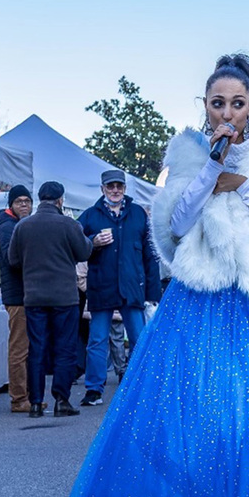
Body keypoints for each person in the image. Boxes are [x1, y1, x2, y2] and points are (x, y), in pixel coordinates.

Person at [68, 54, 249, 497]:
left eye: (237, 103)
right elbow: (176, 224)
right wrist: (210, 172)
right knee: (200, 413)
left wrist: (243, 184)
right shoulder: (190, 153)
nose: (228, 113)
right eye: (218, 103)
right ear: (206, 105)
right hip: (202, 295)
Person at [77, 169, 161, 406]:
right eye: (110, 186)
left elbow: (150, 256)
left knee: (139, 338)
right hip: (102, 287)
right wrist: (91, 242)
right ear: (102, 188)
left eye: (119, 186)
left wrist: (153, 294)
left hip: (132, 287)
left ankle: (140, 386)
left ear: (124, 188)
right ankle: (94, 390)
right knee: (97, 340)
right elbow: (74, 245)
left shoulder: (138, 214)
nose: (115, 190)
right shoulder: (90, 215)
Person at [8, 181, 92, 418]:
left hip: (34, 296)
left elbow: (12, 259)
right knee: (65, 348)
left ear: (39, 198)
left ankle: (35, 402)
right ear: (60, 200)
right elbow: (84, 252)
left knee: (37, 348)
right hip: (64, 296)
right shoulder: (69, 224)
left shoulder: (23, 226)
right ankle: (61, 400)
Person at [0, 185, 35, 412]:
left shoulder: (16, 224)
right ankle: (19, 398)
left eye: (26, 201)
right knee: (19, 348)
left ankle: (26, 395)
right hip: (17, 294)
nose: (23, 205)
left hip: (23, 292)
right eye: (18, 201)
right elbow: (12, 259)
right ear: (11, 204)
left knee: (25, 347)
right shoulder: (7, 227)